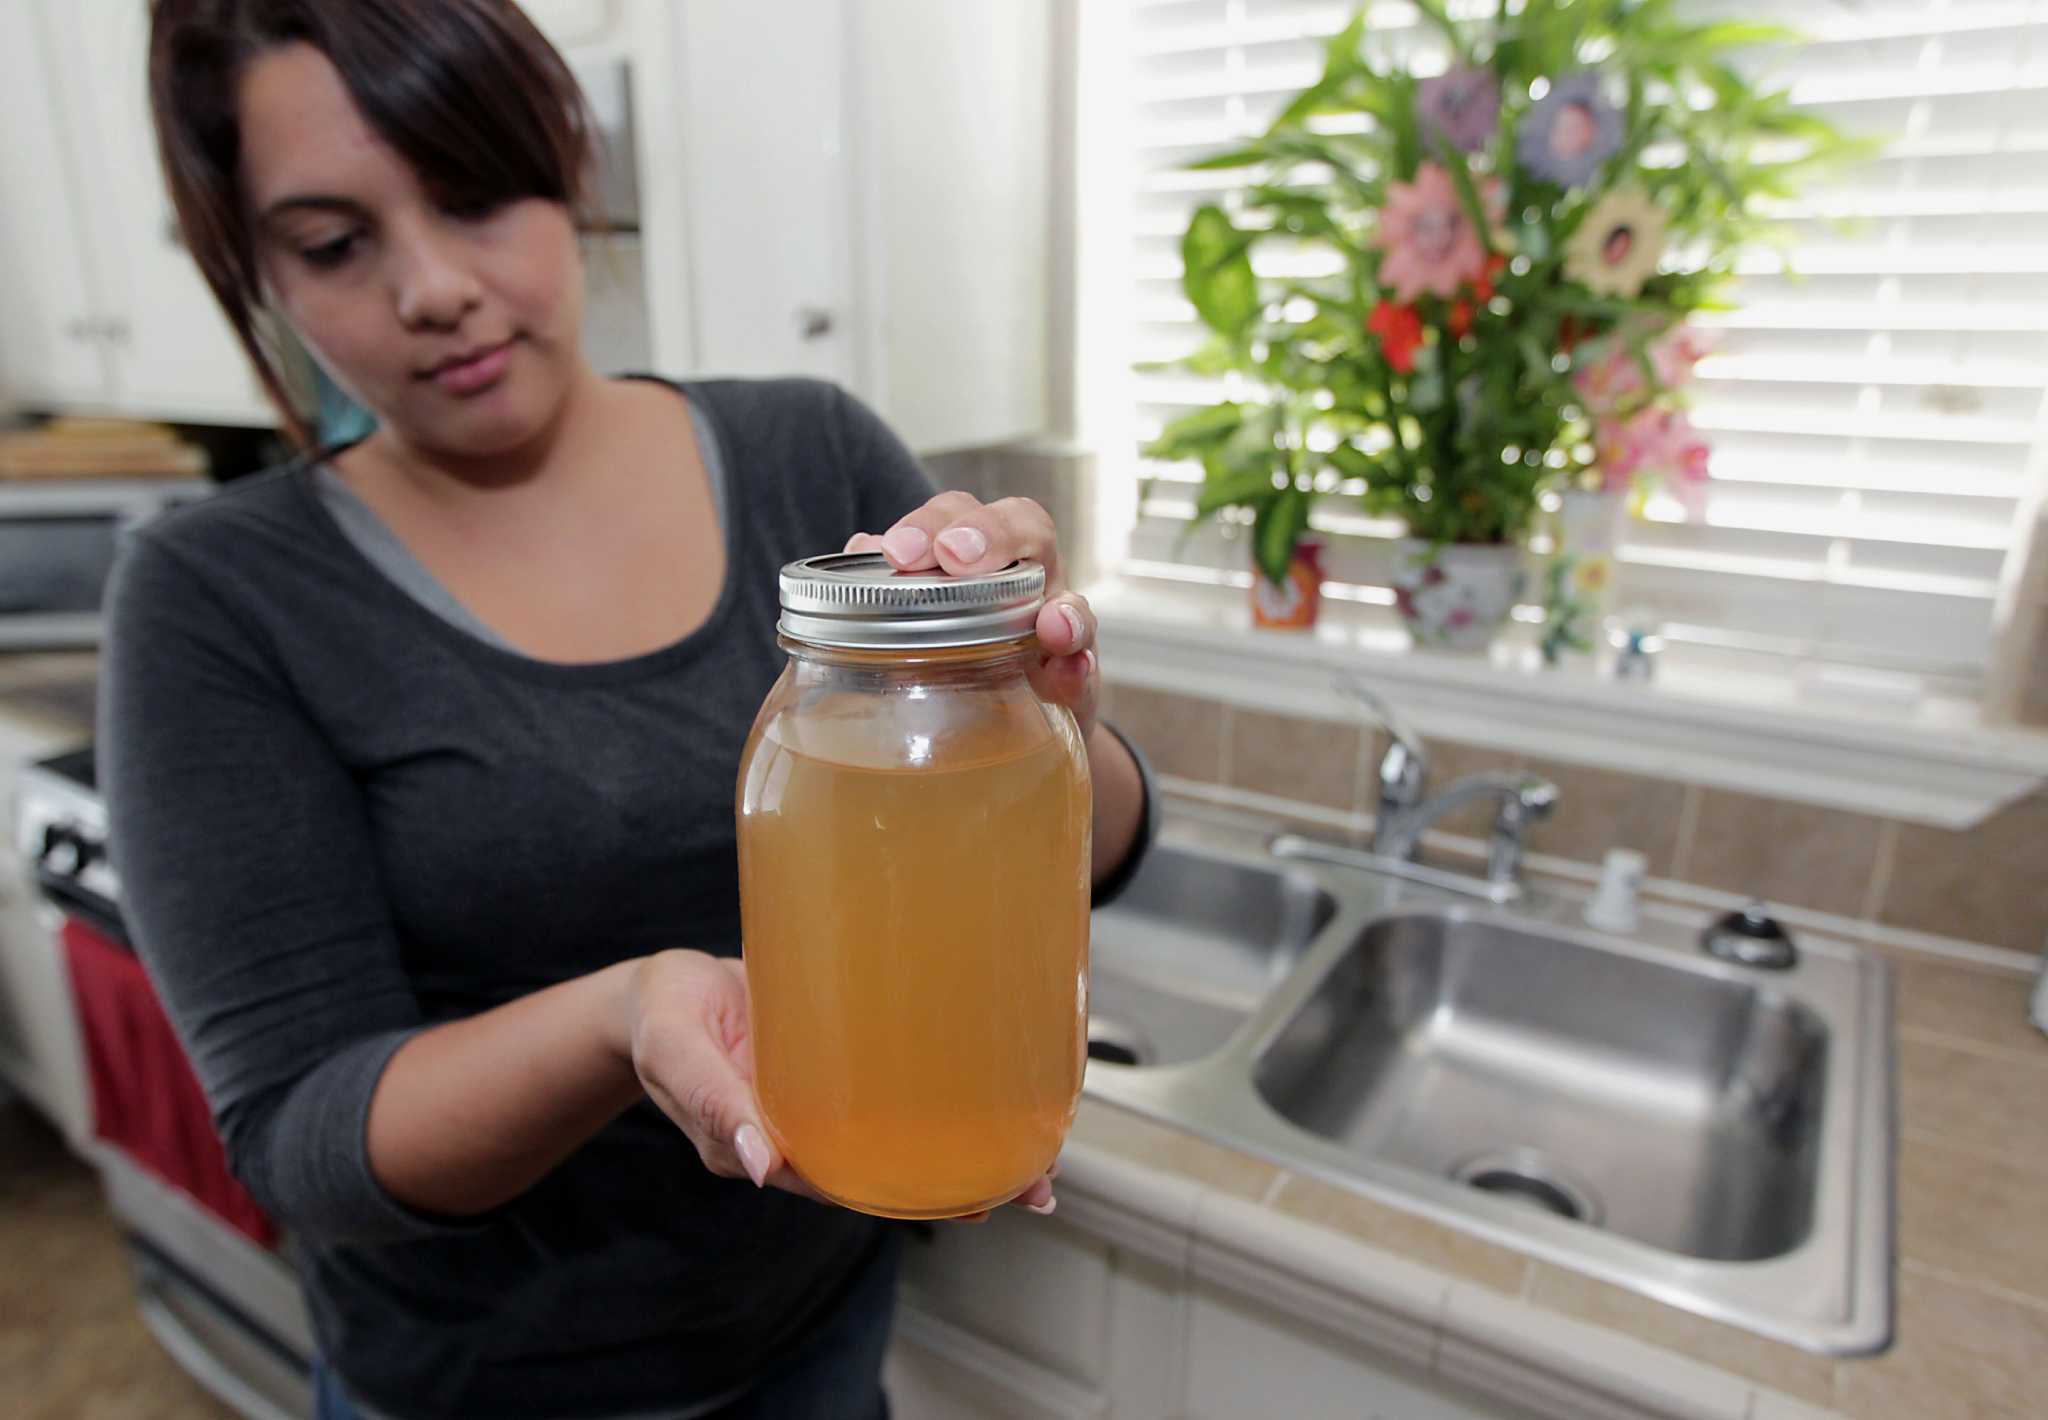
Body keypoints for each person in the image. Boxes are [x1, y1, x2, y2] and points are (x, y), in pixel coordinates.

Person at [105, 3, 1154, 1417]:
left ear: (566, 165)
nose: (433, 288)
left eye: (473, 192)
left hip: (820, 1333)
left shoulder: (812, 450)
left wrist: (1050, 726)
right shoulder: (216, 594)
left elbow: (1091, 849)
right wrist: (622, 1017)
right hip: (477, 1387)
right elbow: (301, 1134)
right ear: (255, 267)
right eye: (336, 242)